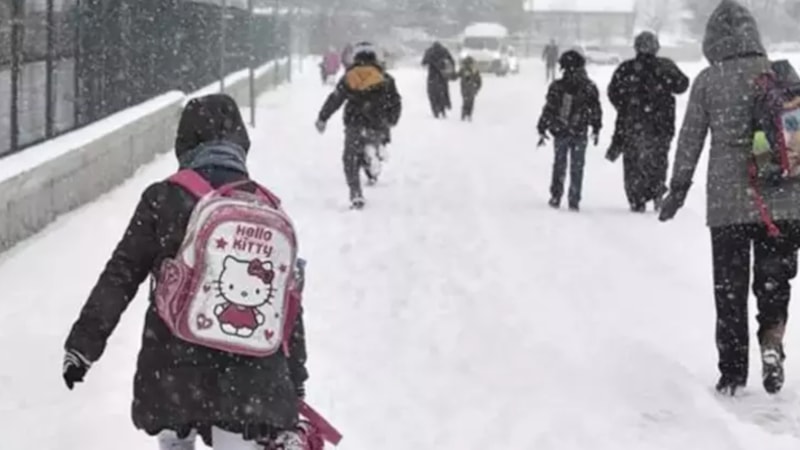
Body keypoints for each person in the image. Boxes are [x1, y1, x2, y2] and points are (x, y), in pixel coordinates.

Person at [61, 94, 310, 449]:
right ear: (241, 142)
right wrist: (294, 377)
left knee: (176, 440)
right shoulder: (266, 206)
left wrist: (83, 346)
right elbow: (288, 303)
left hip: (173, 367)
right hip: (251, 378)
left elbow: (121, 274)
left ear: (184, 142)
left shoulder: (163, 198)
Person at [659, 0, 800, 396]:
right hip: (784, 202)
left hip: (729, 205)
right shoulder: (779, 75)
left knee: (730, 290)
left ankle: (733, 373)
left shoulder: (709, 80)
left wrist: (677, 189)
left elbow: (690, 140)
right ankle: (772, 343)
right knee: (774, 281)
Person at [608, 31, 689, 213]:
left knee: (633, 163)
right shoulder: (665, 66)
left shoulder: (626, 68)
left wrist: (626, 107)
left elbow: (613, 92)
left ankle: (636, 198)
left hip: (632, 124)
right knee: (658, 160)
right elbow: (682, 85)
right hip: (662, 125)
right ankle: (657, 190)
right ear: (656, 47)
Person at [315, 42, 403, 209]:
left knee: (350, 158)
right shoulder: (385, 79)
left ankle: (356, 193)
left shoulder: (349, 77)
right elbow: (395, 102)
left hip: (354, 122)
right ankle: (375, 153)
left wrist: (322, 118)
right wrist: (392, 120)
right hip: (377, 123)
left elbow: (335, 99)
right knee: (375, 142)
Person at [537, 50, 602, 212]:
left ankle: (556, 195)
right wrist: (596, 126)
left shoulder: (558, 86)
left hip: (561, 130)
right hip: (580, 131)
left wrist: (543, 126)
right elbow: (596, 109)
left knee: (559, 164)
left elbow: (549, 108)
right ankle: (574, 198)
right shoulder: (589, 87)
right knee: (577, 166)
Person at [422, 41, 456, 118]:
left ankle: (435, 110)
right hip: (442, 75)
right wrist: (451, 72)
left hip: (432, 75)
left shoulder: (429, 51)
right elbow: (452, 61)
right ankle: (443, 108)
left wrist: (431, 61)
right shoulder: (444, 51)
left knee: (432, 93)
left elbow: (423, 62)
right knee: (443, 92)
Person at [458, 56, 482, 121]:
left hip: (468, 89)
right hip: (469, 89)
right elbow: (479, 81)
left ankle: (466, 114)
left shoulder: (470, 70)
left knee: (467, 101)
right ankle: (467, 114)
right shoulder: (472, 70)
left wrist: (477, 87)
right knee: (469, 102)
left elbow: (479, 80)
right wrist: (477, 88)